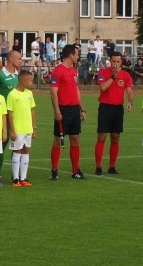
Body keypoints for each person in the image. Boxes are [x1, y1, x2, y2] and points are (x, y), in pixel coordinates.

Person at [50, 44, 87, 180]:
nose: (78, 56)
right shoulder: (58, 71)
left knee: (75, 139)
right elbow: (53, 93)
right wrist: (57, 111)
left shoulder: (74, 71)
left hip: (74, 110)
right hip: (63, 109)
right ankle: (54, 170)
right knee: (58, 140)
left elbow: (76, 91)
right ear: (71, 56)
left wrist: (82, 109)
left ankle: (75, 170)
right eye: (77, 54)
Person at [93, 51, 133, 176]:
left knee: (115, 137)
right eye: (114, 61)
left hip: (118, 109)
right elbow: (103, 87)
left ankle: (112, 166)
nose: (116, 64)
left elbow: (129, 90)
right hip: (105, 107)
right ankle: (98, 166)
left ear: (121, 62)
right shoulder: (103, 72)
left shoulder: (126, 75)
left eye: (118, 62)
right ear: (110, 61)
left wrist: (130, 101)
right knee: (102, 136)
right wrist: (113, 76)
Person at [7, 70, 37, 187]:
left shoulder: (29, 94)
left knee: (25, 151)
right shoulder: (12, 95)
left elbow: (32, 110)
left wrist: (34, 128)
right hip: (18, 129)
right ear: (23, 81)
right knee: (17, 151)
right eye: (30, 81)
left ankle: (23, 178)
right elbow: (10, 113)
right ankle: (15, 178)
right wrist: (12, 130)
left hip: (28, 129)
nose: (32, 83)